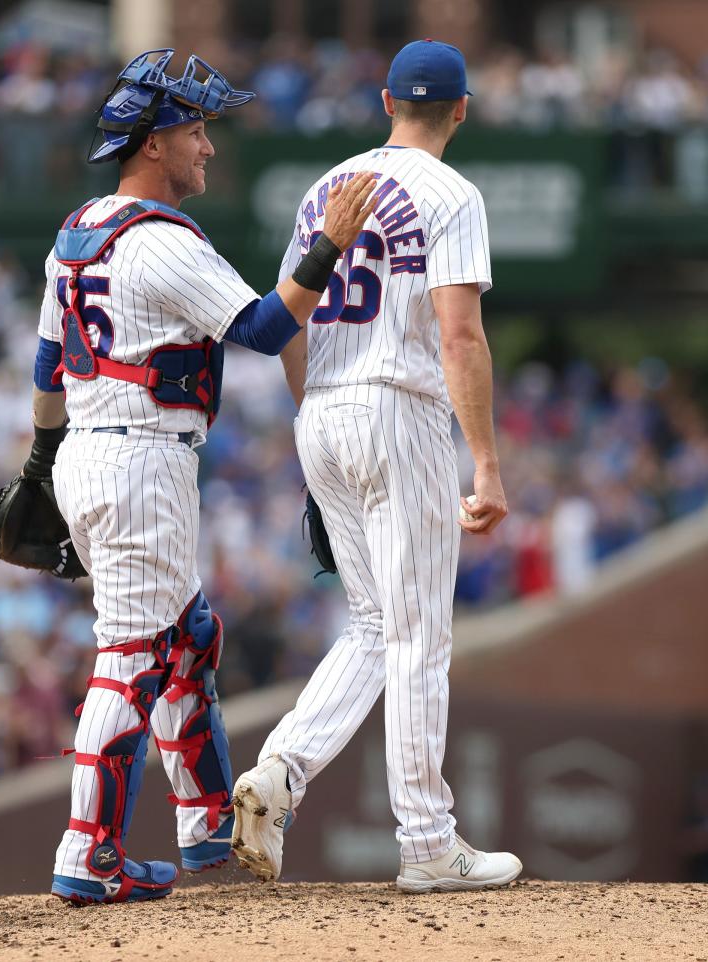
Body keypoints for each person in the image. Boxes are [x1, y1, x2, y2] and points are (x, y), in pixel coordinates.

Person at [27, 49, 377, 905]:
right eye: (195, 130)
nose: (208, 147)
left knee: (184, 636)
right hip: (139, 455)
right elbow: (260, 328)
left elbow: (46, 367)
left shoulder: (79, 229)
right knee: (132, 653)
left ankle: (207, 823)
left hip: (93, 448)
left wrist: (40, 465)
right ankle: (89, 853)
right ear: (152, 143)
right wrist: (328, 244)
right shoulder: (156, 240)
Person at [230, 40, 523, 893]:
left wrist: (318, 424)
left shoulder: (328, 186)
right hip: (403, 408)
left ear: (387, 100)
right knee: (418, 632)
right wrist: (487, 465)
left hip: (322, 406)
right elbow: (461, 336)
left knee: (371, 625)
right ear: (461, 110)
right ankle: (427, 840)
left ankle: (281, 772)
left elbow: (284, 321)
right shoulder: (452, 193)